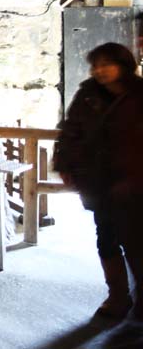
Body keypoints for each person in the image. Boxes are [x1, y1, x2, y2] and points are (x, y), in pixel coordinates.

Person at [55, 42, 143, 321]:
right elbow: (71, 130)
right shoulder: (87, 95)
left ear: (123, 65)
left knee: (136, 241)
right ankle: (117, 296)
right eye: (96, 65)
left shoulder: (139, 95)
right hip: (100, 181)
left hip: (134, 183)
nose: (100, 70)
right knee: (106, 239)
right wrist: (65, 163)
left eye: (106, 64)